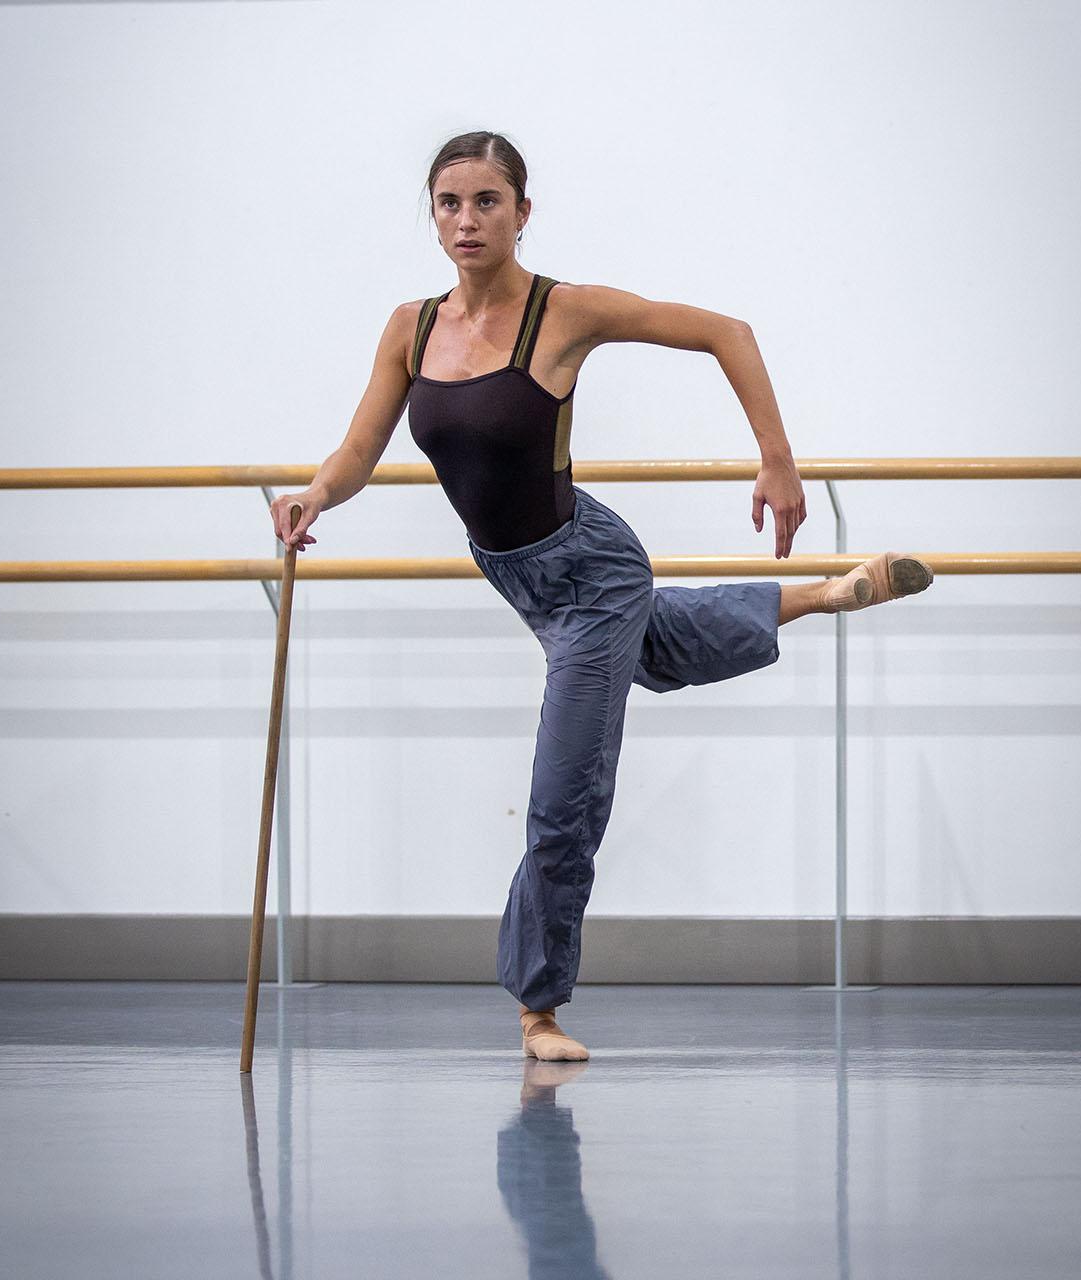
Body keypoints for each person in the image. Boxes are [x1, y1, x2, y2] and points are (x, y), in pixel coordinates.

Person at [270, 130, 932, 1062]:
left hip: (589, 568)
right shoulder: (410, 327)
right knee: (655, 649)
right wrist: (313, 493)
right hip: (516, 575)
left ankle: (537, 1008)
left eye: (488, 202)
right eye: (449, 203)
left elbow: (724, 332)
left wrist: (778, 462)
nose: (468, 220)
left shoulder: (562, 313)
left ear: (522, 213)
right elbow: (357, 454)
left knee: (563, 791)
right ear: (432, 214)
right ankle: (827, 595)